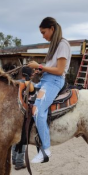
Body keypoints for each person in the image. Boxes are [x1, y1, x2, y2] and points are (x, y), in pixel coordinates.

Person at [27, 17, 72, 163]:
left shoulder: (63, 44)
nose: (43, 35)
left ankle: (45, 150)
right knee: (22, 89)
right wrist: (40, 71)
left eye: (43, 32)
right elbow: (52, 68)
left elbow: (59, 70)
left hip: (54, 82)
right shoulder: (54, 45)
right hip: (46, 79)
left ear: (52, 29)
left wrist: (39, 67)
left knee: (38, 110)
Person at [11, 66, 33, 170]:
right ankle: (19, 162)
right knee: (23, 138)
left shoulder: (14, 83)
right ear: (30, 75)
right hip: (23, 114)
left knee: (15, 137)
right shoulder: (27, 84)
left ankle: (14, 159)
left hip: (13, 114)